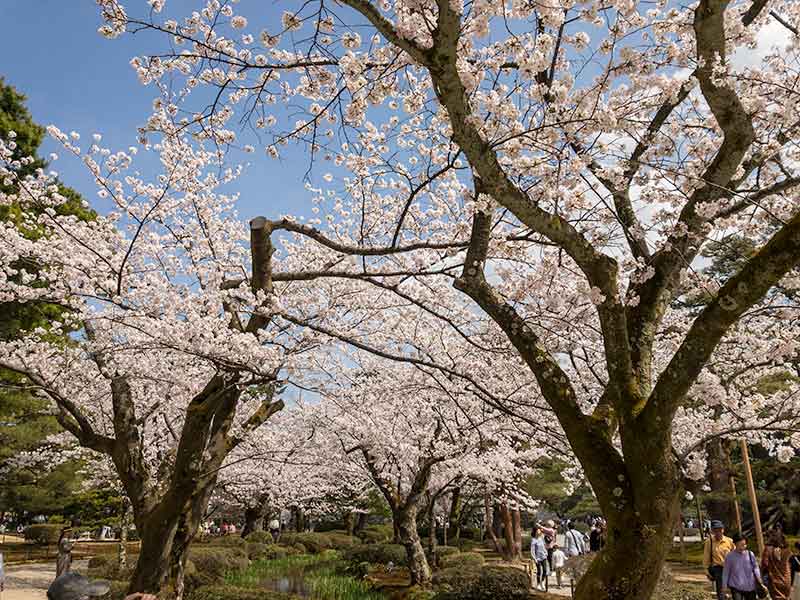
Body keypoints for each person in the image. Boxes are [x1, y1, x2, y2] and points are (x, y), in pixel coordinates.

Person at [722, 532, 764, 600]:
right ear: (735, 544)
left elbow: (755, 567)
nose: (743, 547)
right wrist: (724, 586)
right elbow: (726, 572)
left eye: (744, 545)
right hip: (736, 587)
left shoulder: (750, 554)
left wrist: (758, 578)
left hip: (750, 587)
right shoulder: (729, 556)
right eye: (740, 545)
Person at [704, 520, 735, 600]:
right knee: (720, 586)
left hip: (730, 568)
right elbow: (706, 557)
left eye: (720, 530)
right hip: (718, 568)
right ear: (712, 531)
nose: (718, 532)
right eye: (715, 530)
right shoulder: (709, 542)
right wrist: (706, 571)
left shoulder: (730, 541)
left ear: (723, 530)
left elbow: (736, 555)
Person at [761, 528, 792, 600]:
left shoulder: (768, 549)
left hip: (774, 580)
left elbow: (764, 564)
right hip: (787, 580)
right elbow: (790, 564)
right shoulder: (787, 550)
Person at [530, 525, 549, 592]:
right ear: (535, 531)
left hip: (543, 556)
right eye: (538, 530)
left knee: (545, 570)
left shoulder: (541, 538)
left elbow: (544, 546)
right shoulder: (533, 540)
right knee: (539, 571)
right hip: (537, 558)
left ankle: (542, 582)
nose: (540, 531)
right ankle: (538, 584)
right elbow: (532, 550)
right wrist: (534, 558)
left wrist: (546, 552)